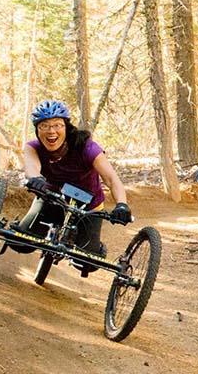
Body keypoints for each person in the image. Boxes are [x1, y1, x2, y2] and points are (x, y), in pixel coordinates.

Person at [17, 100, 132, 275]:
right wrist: (36, 179)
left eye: (57, 125)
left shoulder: (87, 148)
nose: (51, 131)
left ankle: (95, 246)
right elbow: (32, 168)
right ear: (37, 130)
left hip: (88, 205)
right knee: (20, 243)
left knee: (86, 264)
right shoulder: (33, 147)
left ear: (66, 127)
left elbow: (111, 178)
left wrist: (122, 204)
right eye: (44, 126)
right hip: (50, 197)